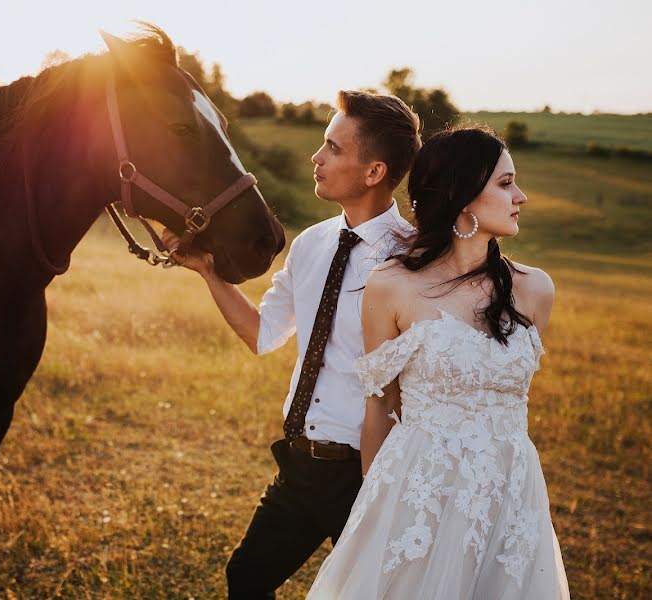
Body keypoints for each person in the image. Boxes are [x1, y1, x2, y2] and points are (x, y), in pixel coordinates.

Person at [163, 90, 421, 598]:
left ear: (374, 172)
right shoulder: (311, 244)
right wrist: (210, 275)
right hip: (301, 465)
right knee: (246, 577)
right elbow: (264, 334)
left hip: (370, 473)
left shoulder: (412, 261)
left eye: (333, 148)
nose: (316, 157)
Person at [307, 126, 570, 599]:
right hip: (418, 490)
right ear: (463, 194)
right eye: (506, 184)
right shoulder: (392, 286)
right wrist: (378, 507)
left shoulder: (535, 290)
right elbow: (380, 409)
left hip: (511, 491)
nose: (521, 197)